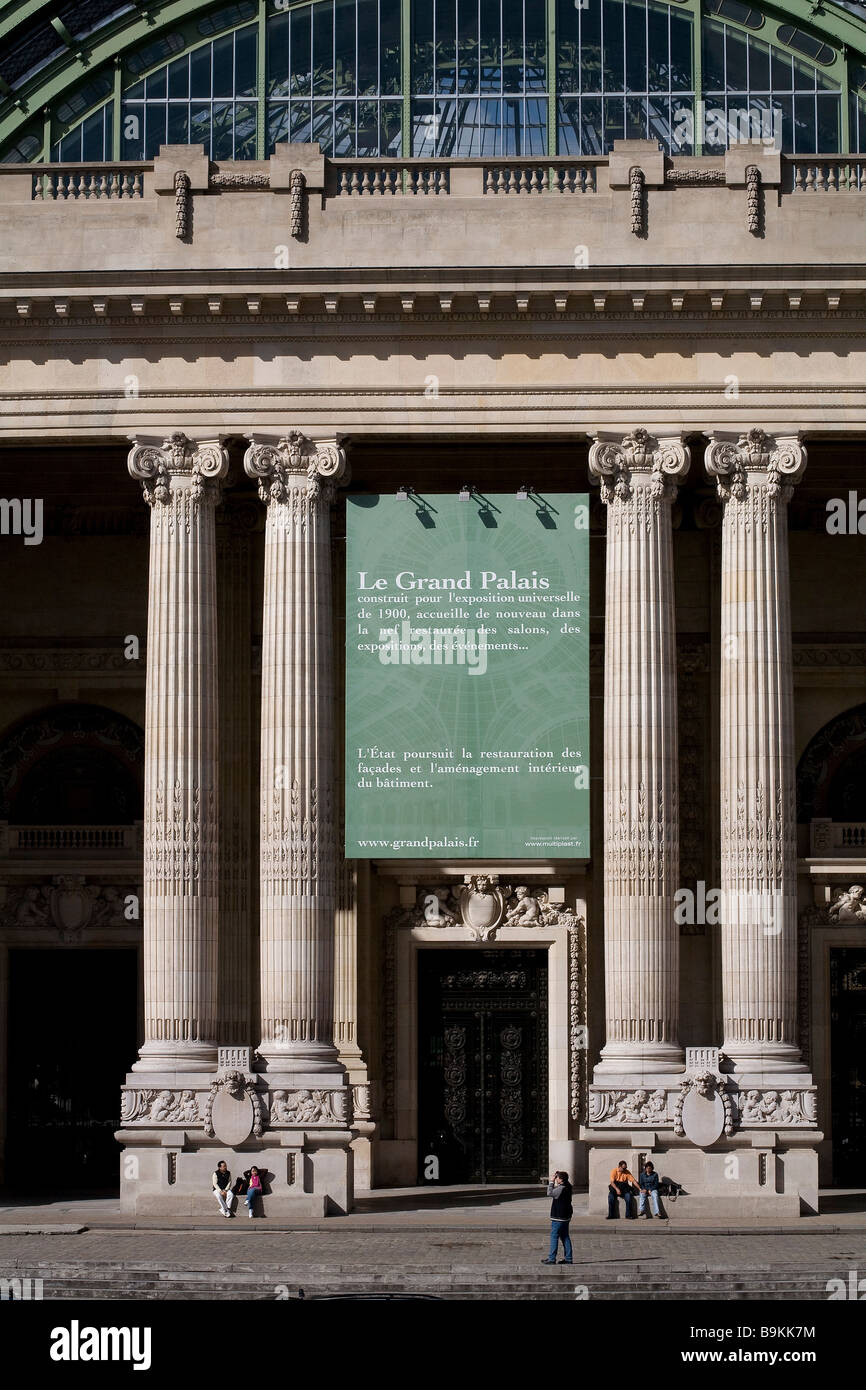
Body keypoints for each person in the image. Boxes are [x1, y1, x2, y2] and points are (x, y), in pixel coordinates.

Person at [541, 1170, 573, 1264]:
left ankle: (551, 1259)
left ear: (561, 1179)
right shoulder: (568, 1186)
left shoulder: (561, 1188)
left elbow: (549, 1193)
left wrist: (551, 1181)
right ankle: (568, 1258)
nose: (556, 1179)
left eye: (557, 1178)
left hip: (558, 1217)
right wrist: (557, 1174)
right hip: (566, 1216)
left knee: (554, 1237)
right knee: (565, 1237)